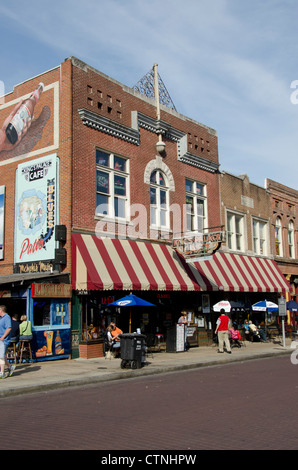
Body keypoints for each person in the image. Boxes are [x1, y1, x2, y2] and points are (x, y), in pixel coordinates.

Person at [0, 305, 15, 378]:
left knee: (1, 357)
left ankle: (2, 372)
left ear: (1, 310)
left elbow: (8, 328)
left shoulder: (7, 317)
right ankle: (10, 367)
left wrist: (3, 337)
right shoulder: (1, 318)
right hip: (1, 340)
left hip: (4, 340)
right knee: (2, 356)